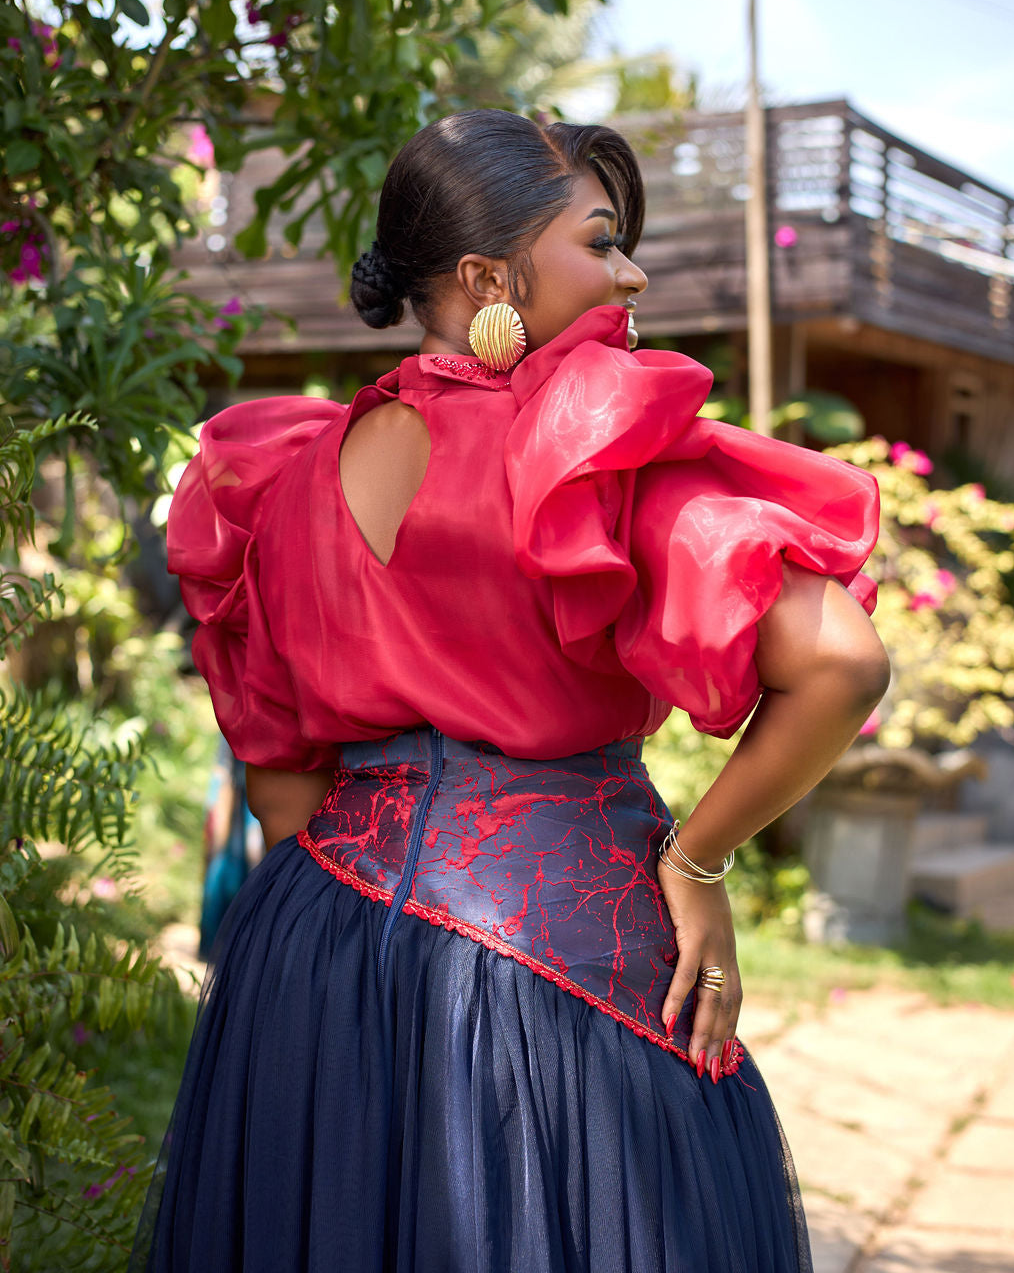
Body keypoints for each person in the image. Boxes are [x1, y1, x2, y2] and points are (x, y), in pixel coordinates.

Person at [131, 109, 889, 1272]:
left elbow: (281, 782)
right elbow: (840, 658)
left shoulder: (281, 481)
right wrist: (696, 862)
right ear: (490, 276)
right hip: (555, 966)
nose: (631, 271)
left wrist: (354, 959)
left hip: (313, 958)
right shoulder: (588, 449)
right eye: (601, 240)